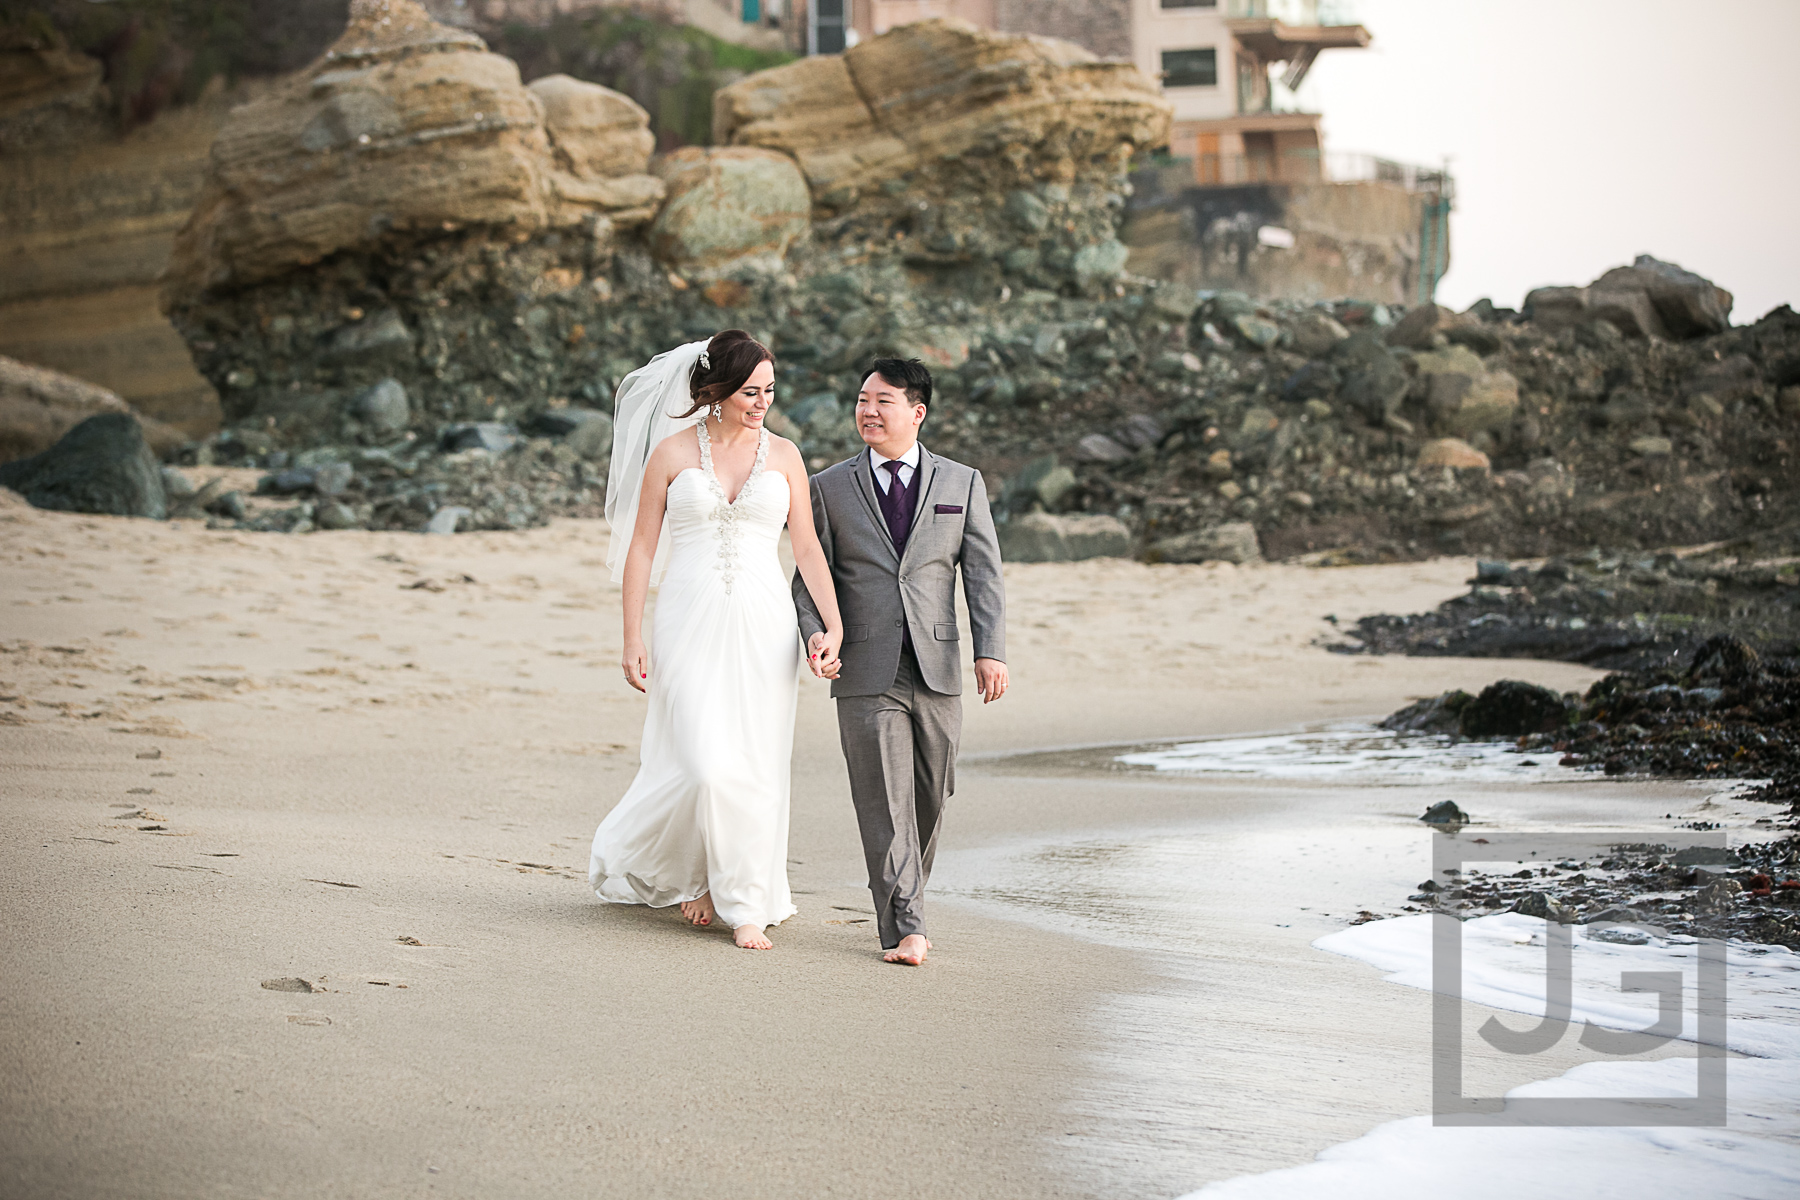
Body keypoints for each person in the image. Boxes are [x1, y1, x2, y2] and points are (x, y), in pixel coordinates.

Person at [590, 330, 844, 951]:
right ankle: (695, 874)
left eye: (769, 391)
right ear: (715, 391)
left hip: (765, 623)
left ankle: (743, 899)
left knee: (755, 762)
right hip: (687, 618)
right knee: (702, 764)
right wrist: (631, 638)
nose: (762, 402)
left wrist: (832, 624)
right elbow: (643, 548)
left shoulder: (785, 455)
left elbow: (806, 546)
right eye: (750, 391)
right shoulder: (672, 454)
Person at [792, 358, 1008, 966]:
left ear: (917, 411)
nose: (868, 410)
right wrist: (816, 635)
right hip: (863, 664)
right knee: (882, 800)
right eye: (862, 399)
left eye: (883, 401)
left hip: (937, 664)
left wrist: (989, 649)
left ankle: (903, 895)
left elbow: (984, 574)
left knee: (931, 795)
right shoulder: (829, 487)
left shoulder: (961, 483)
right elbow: (809, 580)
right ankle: (906, 925)